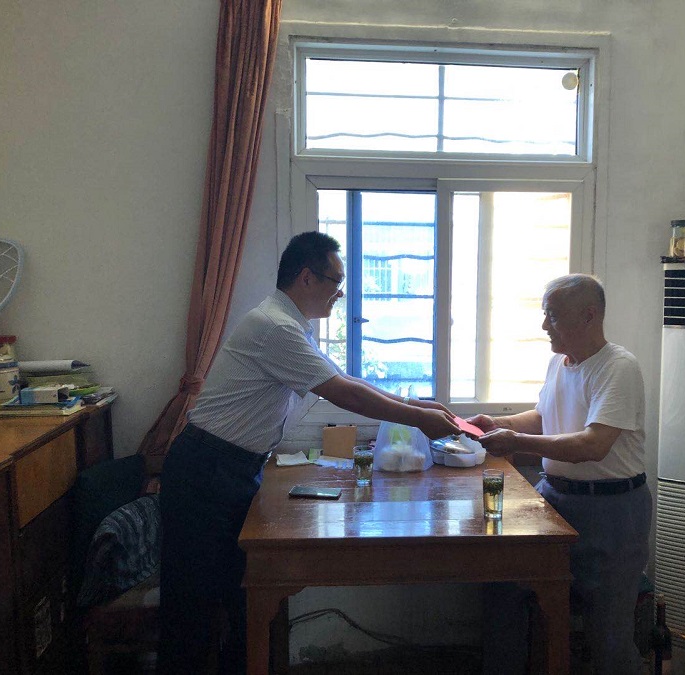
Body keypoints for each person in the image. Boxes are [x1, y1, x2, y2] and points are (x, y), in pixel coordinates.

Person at [158, 232, 460, 674]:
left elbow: (347, 380)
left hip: (231, 468)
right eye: (335, 281)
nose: (340, 293)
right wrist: (417, 419)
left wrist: (415, 405)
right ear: (306, 277)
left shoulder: (291, 325)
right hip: (206, 471)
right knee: (192, 610)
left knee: (237, 598)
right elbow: (342, 393)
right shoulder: (276, 327)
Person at [468, 274, 650, 675]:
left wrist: (515, 441)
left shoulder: (618, 367)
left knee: (608, 634)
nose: (543, 326)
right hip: (553, 497)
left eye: (552, 316)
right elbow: (542, 417)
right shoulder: (559, 362)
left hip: (612, 510)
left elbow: (593, 445)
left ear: (589, 316)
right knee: (502, 581)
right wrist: (495, 424)